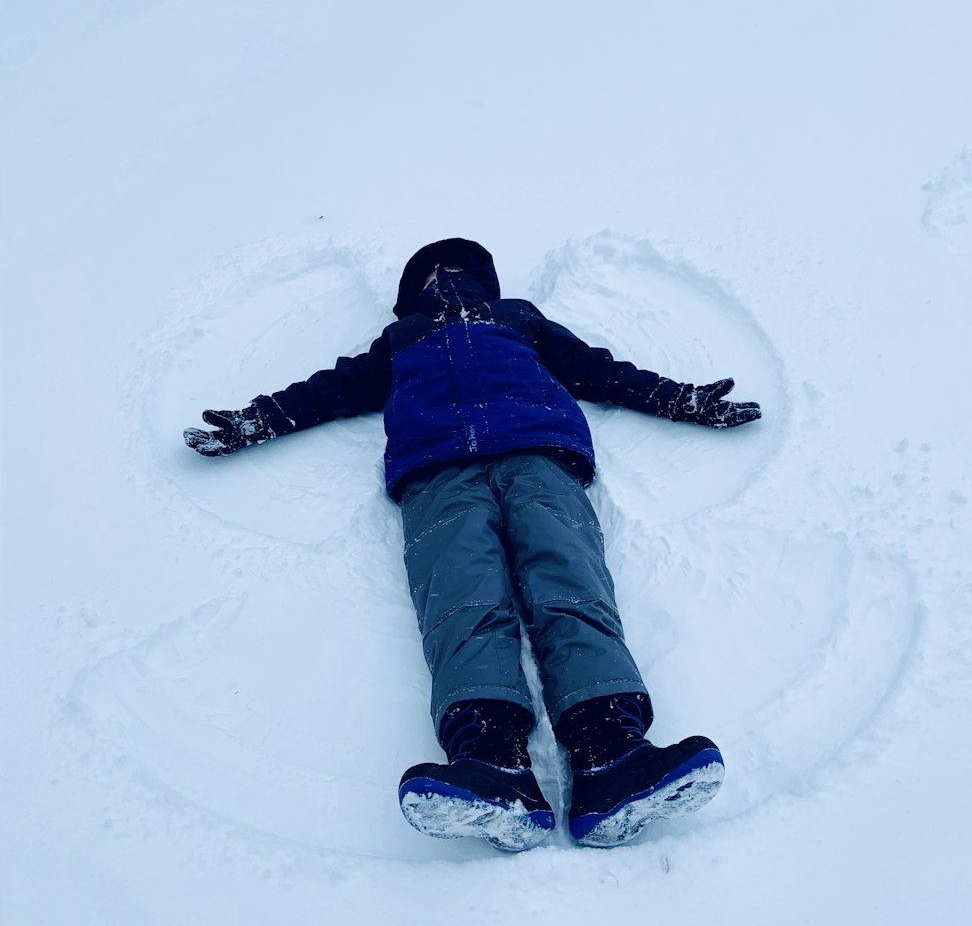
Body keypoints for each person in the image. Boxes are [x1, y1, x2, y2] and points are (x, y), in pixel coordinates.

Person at [184, 238, 761, 852]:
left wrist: (680, 399)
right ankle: (492, 763)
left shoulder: (520, 320)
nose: (442, 274)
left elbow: (599, 370)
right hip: (437, 471)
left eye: (455, 266)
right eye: (429, 269)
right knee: (461, 597)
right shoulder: (399, 339)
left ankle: (610, 756)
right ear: (411, 291)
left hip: (540, 453)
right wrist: (261, 417)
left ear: (485, 279)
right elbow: (333, 387)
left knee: (569, 583)